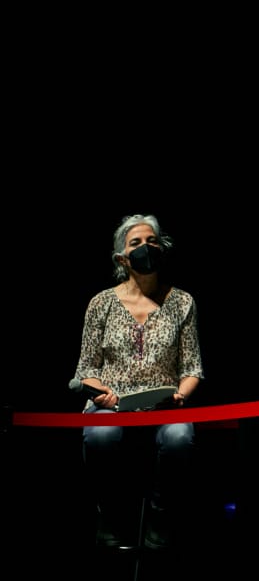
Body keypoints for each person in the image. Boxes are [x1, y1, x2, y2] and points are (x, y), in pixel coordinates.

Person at [72, 213, 203, 550]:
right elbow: (87, 367)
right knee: (100, 435)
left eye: (152, 241)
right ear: (122, 258)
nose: (146, 247)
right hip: (113, 406)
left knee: (179, 436)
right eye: (136, 243)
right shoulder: (101, 303)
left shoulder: (182, 301)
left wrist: (180, 397)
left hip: (164, 405)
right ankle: (110, 514)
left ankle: (160, 516)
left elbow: (191, 367)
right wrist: (99, 392)